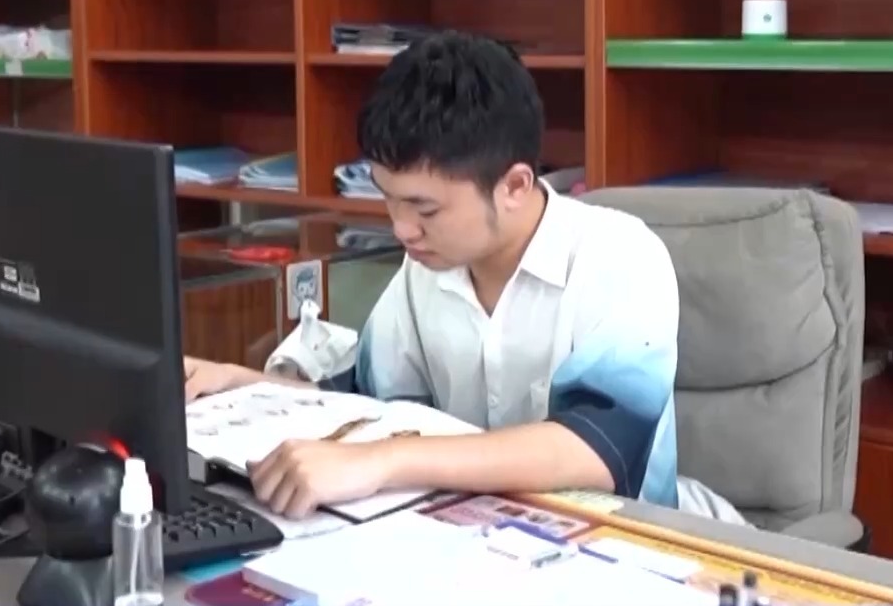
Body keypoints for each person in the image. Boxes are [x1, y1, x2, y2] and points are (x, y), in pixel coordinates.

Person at [182, 31, 695, 521]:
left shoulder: (619, 256)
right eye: (388, 198)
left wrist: (383, 461)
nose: (402, 228)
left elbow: (594, 450)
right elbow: (366, 402)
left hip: (621, 544)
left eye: (425, 209)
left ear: (515, 186)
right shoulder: (429, 265)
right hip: (473, 534)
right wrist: (239, 381)